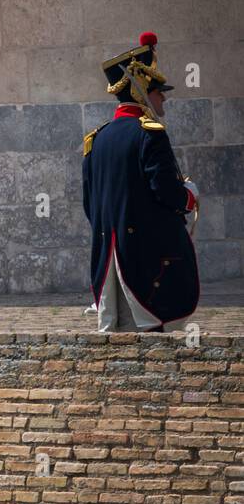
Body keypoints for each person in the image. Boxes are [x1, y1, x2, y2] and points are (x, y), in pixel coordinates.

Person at [84, 31, 199, 332]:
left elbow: (89, 205)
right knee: (155, 342)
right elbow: (165, 191)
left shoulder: (97, 140)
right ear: (141, 90)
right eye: (159, 91)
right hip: (148, 264)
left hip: (109, 264)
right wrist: (189, 195)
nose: (164, 97)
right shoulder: (150, 133)